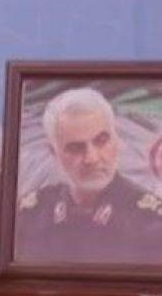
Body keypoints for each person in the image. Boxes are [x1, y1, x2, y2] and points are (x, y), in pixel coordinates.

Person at [17, 87, 162, 263]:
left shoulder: (152, 222)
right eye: (75, 148)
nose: (91, 158)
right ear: (54, 153)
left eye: (101, 141)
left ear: (116, 140)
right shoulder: (31, 215)